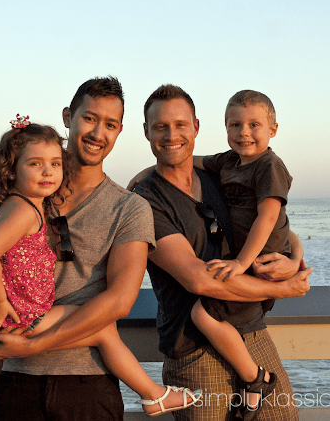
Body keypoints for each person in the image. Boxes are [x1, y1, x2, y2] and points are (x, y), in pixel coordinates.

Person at [0, 77, 192, 421]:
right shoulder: (23, 192)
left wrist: (35, 344)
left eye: (110, 125)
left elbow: (120, 299)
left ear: (119, 131)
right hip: (15, 381)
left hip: (88, 384)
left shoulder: (129, 208)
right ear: (68, 117)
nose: (98, 133)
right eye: (89, 118)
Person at [132, 84, 311, 420]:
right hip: (196, 348)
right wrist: (283, 289)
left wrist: (292, 258)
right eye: (160, 127)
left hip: (252, 330)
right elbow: (201, 282)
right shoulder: (145, 202)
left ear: (196, 127)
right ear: (146, 132)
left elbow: (273, 223)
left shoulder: (222, 175)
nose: (172, 135)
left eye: (181, 125)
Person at [183, 90, 292, 418]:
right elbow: (190, 161)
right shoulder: (228, 162)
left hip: (262, 259)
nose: (244, 132)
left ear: (273, 129)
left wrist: (242, 262)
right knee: (221, 315)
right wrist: (147, 172)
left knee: (202, 315)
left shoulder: (269, 166)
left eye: (254, 125)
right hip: (246, 261)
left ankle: (256, 379)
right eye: (235, 125)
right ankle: (251, 381)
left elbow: (268, 217)